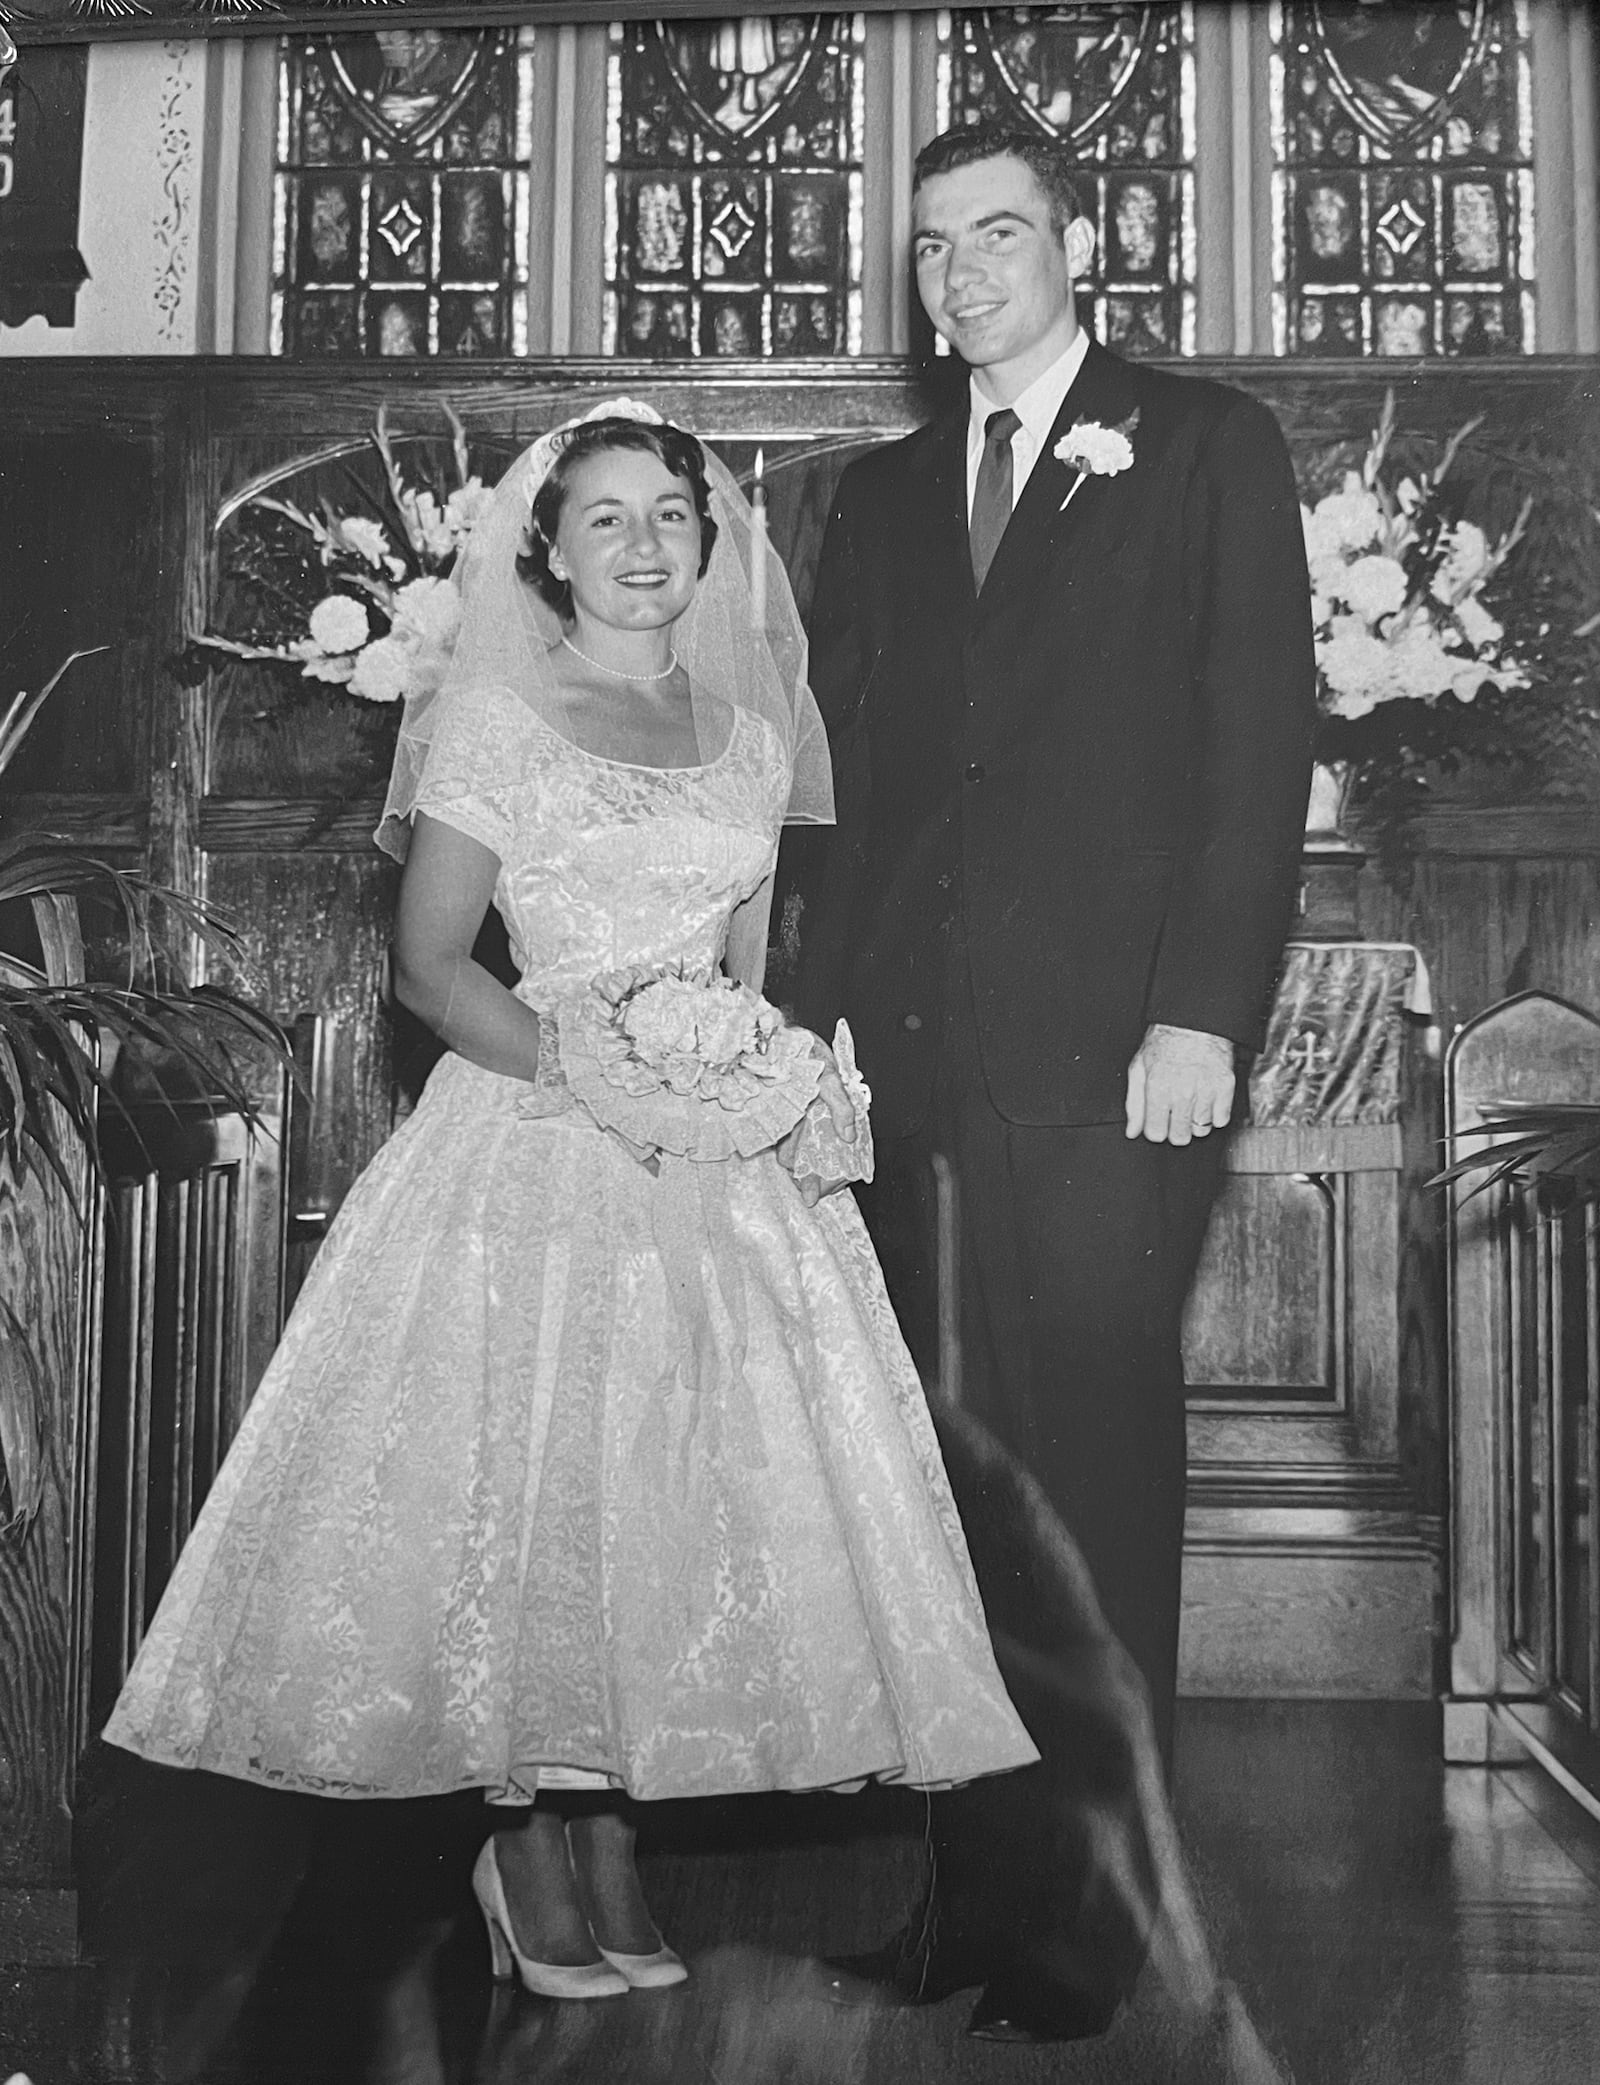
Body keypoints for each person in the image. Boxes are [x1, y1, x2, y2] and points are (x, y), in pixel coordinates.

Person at [103, 403, 1037, 2002]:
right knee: (531, 1487)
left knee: (675, 1496)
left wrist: (755, 1087)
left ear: (710, 542)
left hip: (705, 1153)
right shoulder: (500, 725)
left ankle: (610, 1829)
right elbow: (427, 963)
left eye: (671, 515)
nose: (644, 545)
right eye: (605, 519)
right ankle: (518, 1835)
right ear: (548, 548)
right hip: (532, 1121)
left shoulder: (752, 738)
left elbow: (747, 971)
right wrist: (602, 1078)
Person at [793, 124, 1316, 2041]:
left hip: (1120, 1065)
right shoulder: (883, 491)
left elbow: (1258, 753)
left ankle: (1096, 1924)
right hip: (918, 1068)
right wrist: (830, 1016)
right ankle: (968, 1901)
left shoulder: (1202, 447)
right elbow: (858, 786)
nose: (962, 277)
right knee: (949, 1501)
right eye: (932, 250)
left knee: (1089, 1486)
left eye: (997, 236)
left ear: (1081, 247)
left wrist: (1203, 1009)